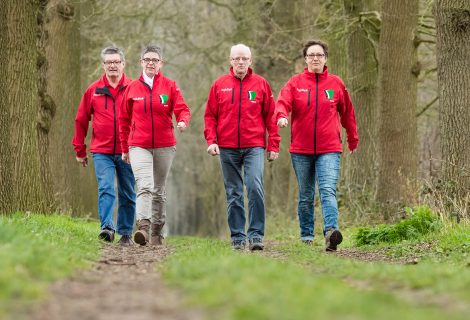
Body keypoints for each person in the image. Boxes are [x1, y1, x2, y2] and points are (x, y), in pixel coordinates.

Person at [275, 40, 358, 251]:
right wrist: (282, 116)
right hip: (301, 150)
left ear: (325, 58)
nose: (315, 58)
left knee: (328, 190)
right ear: (305, 59)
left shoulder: (336, 84)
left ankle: (331, 233)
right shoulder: (295, 83)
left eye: (319, 55)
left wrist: (353, 138)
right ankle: (306, 235)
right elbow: (282, 102)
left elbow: (347, 113)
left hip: (329, 147)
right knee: (305, 195)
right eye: (311, 55)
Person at [204, 44, 280, 251]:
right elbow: (210, 116)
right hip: (226, 147)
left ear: (250, 61)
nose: (240, 62)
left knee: (255, 187)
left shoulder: (261, 84)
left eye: (244, 59)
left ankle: (256, 235)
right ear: (230, 61)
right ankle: (238, 236)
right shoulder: (219, 85)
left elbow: (271, 118)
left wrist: (273, 144)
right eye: (236, 59)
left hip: (254, 145)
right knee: (234, 192)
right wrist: (211, 141)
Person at [119, 45, 190, 246]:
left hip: (165, 145)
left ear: (161, 63)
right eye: (147, 59)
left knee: (158, 190)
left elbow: (182, 108)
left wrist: (183, 120)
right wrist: (125, 148)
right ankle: (143, 228)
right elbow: (123, 120)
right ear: (141, 62)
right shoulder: (131, 88)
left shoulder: (169, 86)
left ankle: (157, 232)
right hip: (138, 145)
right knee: (145, 185)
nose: (151, 63)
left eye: (155, 60)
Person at [72, 46, 136, 246]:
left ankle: (126, 233)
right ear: (103, 65)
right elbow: (81, 120)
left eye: (116, 62)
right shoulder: (93, 90)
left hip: (128, 151)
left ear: (123, 64)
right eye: (109, 63)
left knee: (127, 191)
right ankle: (107, 228)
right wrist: (80, 150)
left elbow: (143, 117)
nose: (113, 66)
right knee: (106, 188)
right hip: (102, 151)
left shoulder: (134, 88)